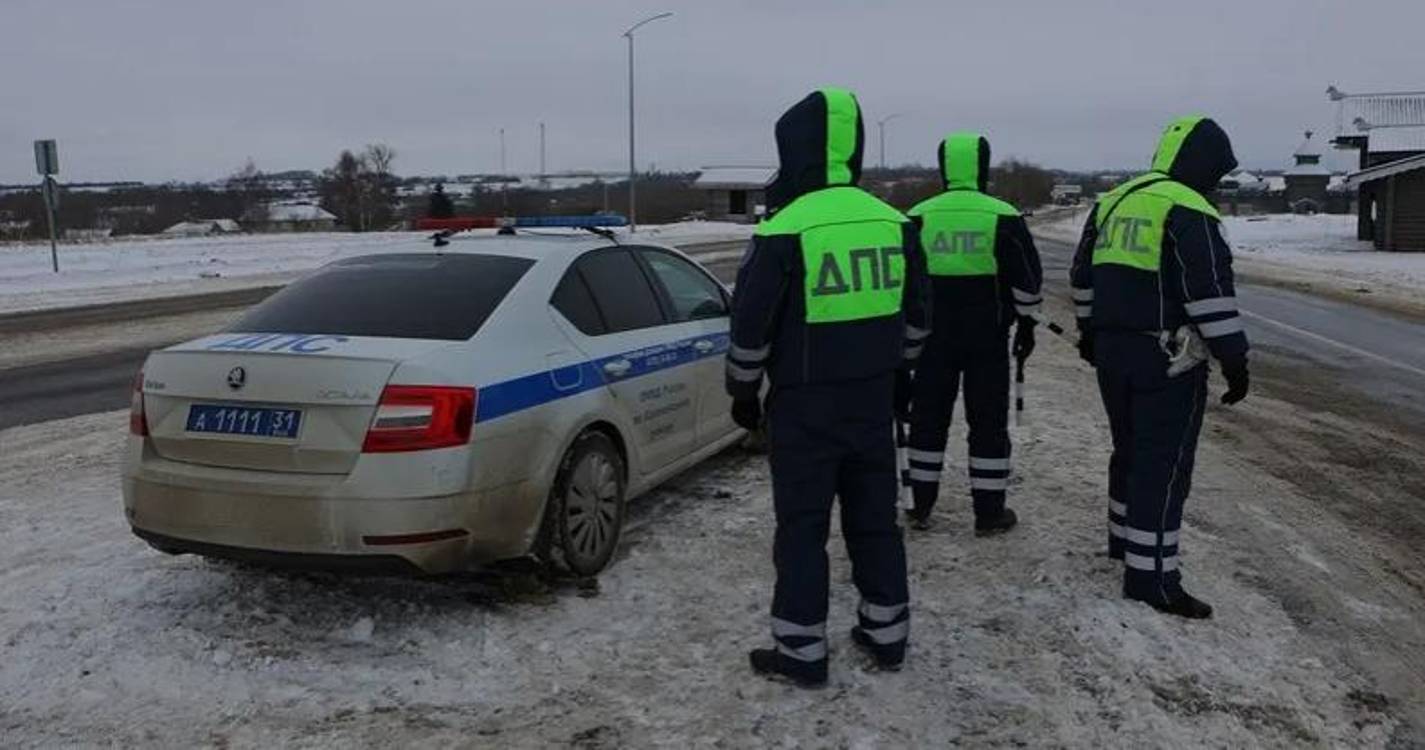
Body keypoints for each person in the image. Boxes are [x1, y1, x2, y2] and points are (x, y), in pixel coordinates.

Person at [725, 87, 930, 687]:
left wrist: (742, 391)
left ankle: (801, 653)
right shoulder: (895, 224)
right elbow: (919, 318)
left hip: (804, 405)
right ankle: (887, 635)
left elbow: (751, 326)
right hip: (872, 401)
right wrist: (898, 372)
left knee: (803, 529)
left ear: (796, 151)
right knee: (876, 522)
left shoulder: (785, 229)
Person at [1069, 115, 1250, 619]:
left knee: (1128, 449)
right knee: (1163, 464)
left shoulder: (1113, 201)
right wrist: (1234, 360)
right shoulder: (1190, 209)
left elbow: (1082, 278)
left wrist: (1090, 333)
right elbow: (1209, 294)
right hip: (1167, 358)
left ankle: (1125, 542)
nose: (1216, 185)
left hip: (1111, 352)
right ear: (1204, 165)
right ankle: (1152, 579)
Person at [902, 132, 1043, 534]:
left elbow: (906, 282)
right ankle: (988, 512)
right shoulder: (1002, 215)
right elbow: (1028, 282)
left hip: (931, 340)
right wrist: (1027, 326)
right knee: (988, 423)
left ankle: (919, 504)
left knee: (927, 419)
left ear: (944, 167)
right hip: (988, 338)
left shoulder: (918, 215)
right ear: (982, 167)